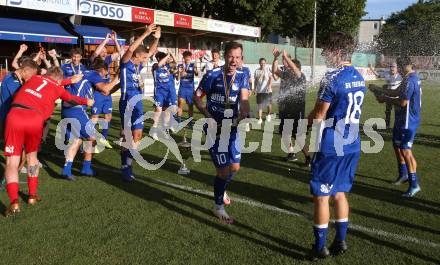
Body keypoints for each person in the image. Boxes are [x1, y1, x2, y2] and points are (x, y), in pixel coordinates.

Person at [3, 67, 93, 217]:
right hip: (34, 119)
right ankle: (32, 195)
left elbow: (49, 81)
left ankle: (14, 201)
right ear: (58, 80)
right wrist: (86, 101)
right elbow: (71, 98)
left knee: (12, 162)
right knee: (32, 158)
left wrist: (67, 80)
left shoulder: (34, 78)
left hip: (15, 115)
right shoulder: (57, 88)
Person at [307, 32, 365, 260]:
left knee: (322, 197)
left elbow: (320, 114)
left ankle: (320, 247)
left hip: (331, 145)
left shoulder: (332, 78)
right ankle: (341, 240)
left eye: (326, 49)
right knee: (340, 193)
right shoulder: (358, 76)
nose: (323, 53)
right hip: (352, 144)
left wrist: (304, 126)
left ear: (337, 52)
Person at [194, 41, 250, 224]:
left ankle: (222, 187)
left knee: (235, 167)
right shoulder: (212, 75)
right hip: (214, 129)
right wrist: (207, 115)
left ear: (241, 58)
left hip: (232, 128)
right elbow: (197, 96)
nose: (234, 60)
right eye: (231, 56)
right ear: (225, 56)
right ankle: (218, 207)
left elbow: (244, 98)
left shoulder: (243, 75)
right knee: (224, 170)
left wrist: (245, 111)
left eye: (237, 57)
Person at [61, 59, 120, 180]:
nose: (105, 76)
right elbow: (105, 88)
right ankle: (86, 168)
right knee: (92, 138)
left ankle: (66, 170)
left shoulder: (86, 75)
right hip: (76, 110)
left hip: (66, 109)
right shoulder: (94, 74)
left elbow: (106, 92)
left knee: (77, 140)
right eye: (105, 73)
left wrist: (118, 84)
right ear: (102, 70)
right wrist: (117, 78)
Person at [119, 24, 160, 182]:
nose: (146, 60)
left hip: (137, 102)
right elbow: (130, 49)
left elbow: (149, 52)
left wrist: (156, 38)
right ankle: (125, 165)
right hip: (126, 101)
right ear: (136, 55)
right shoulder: (126, 62)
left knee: (137, 134)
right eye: (143, 58)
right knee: (127, 135)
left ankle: (127, 163)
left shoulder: (138, 65)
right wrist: (146, 33)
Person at [376, 58, 422, 197]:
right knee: (397, 146)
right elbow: (396, 92)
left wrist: (385, 99)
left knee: (406, 150)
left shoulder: (410, 80)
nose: (399, 68)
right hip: (401, 119)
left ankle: (414, 184)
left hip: (408, 121)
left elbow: (402, 102)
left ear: (408, 66)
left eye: (401, 65)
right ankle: (403, 175)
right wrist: (380, 91)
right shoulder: (409, 78)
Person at [272, 49, 311, 164]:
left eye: (289, 66)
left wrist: (286, 57)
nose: (287, 68)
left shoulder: (300, 76)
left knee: (297, 136)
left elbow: (295, 69)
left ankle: (308, 157)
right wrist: (275, 58)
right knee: (284, 132)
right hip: (285, 110)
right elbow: (275, 70)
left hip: (296, 111)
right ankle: (291, 153)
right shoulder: (287, 75)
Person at [89, 31, 123, 148]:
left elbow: (119, 52)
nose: (104, 53)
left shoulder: (107, 60)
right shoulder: (94, 62)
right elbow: (95, 53)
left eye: (105, 51)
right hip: (98, 94)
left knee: (108, 116)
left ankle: (103, 139)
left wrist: (115, 40)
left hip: (107, 93)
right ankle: (90, 138)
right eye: (102, 51)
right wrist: (106, 40)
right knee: (95, 117)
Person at [150, 51, 178, 139]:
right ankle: (153, 130)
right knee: (158, 111)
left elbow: (176, 62)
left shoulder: (168, 66)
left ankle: (165, 128)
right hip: (159, 92)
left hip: (168, 93)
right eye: (164, 58)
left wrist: (171, 55)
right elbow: (159, 64)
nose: (166, 60)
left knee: (168, 111)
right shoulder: (155, 66)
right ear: (159, 59)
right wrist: (167, 56)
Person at [369, 62, 402, 128]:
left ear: (397, 68)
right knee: (387, 111)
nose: (392, 68)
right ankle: (387, 125)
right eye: (391, 67)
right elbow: (378, 75)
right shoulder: (386, 73)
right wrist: (371, 68)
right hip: (388, 96)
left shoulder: (401, 75)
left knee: (398, 112)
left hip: (397, 97)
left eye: (393, 67)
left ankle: (398, 125)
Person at [176, 51, 198, 127]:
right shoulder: (180, 66)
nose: (188, 58)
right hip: (182, 88)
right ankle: (179, 121)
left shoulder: (193, 65)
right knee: (180, 104)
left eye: (189, 57)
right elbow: (177, 79)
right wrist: (179, 73)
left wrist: (195, 69)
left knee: (191, 106)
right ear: (184, 58)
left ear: (190, 57)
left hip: (190, 89)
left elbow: (197, 74)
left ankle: (190, 122)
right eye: (186, 57)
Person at [254, 58, 273, 124]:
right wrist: (254, 89)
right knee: (260, 105)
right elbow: (256, 80)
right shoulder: (256, 71)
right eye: (261, 63)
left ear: (265, 63)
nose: (262, 64)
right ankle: (260, 118)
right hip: (259, 91)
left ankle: (269, 115)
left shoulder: (268, 69)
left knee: (268, 104)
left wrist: (269, 86)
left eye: (264, 63)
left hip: (267, 91)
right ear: (259, 63)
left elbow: (271, 78)